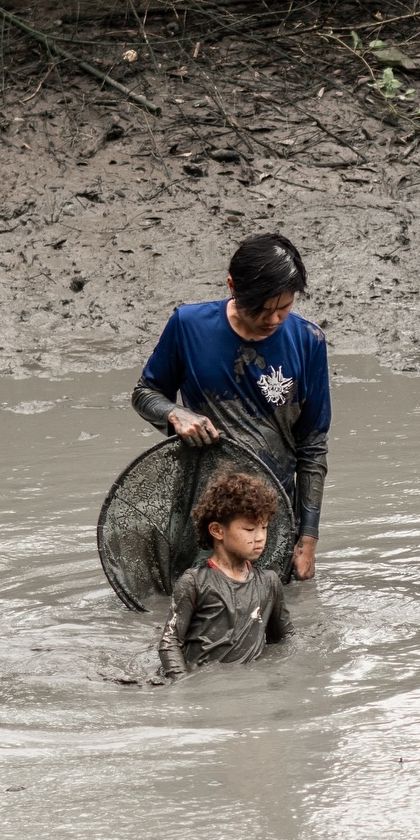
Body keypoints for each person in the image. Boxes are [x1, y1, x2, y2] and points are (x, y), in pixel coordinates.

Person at [132, 233, 330, 579]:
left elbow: (312, 447)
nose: (272, 320)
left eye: (283, 309)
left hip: (271, 515)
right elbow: (145, 393)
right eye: (261, 309)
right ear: (232, 287)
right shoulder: (188, 326)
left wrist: (307, 541)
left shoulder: (308, 342)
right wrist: (176, 414)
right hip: (204, 508)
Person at [158, 473, 293, 678]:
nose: (260, 538)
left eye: (264, 527)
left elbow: (285, 639)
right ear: (217, 530)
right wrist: (182, 686)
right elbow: (170, 643)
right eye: (249, 529)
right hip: (205, 686)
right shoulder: (194, 582)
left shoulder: (269, 583)